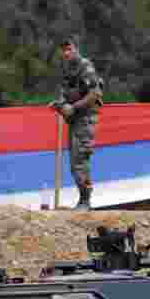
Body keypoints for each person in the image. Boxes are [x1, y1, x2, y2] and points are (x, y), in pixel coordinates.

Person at [50, 37, 103, 211]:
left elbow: (94, 93)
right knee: (75, 161)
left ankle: (85, 201)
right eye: (64, 50)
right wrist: (59, 104)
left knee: (80, 159)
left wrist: (73, 107)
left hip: (86, 118)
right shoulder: (68, 69)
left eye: (69, 49)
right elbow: (65, 92)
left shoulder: (85, 66)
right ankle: (83, 200)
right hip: (75, 118)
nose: (66, 53)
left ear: (77, 49)